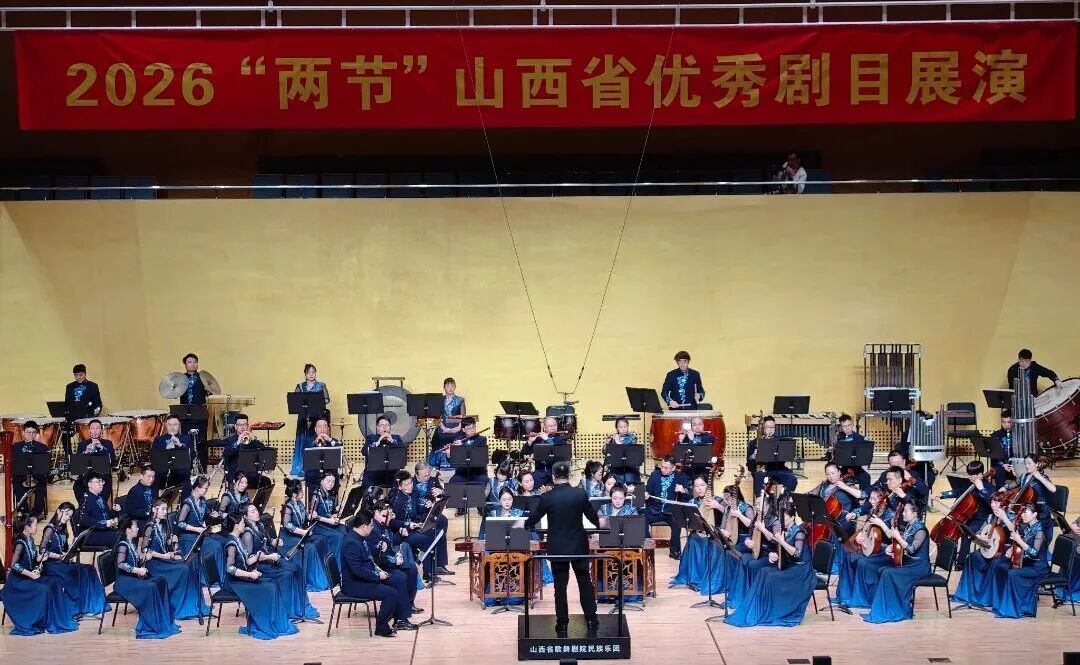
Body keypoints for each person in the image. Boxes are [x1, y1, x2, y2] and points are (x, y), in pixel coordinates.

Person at [524, 461, 599, 635]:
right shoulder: (580, 494)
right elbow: (592, 516)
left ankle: (562, 623)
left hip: (557, 547)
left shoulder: (547, 497)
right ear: (569, 475)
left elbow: (534, 518)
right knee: (584, 582)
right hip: (579, 545)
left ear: (553, 476)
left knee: (560, 586)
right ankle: (591, 620)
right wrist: (601, 525)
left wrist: (524, 524)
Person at [726, 496, 816, 627]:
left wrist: (781, 542)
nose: (781, 519)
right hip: (789, 565)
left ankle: (771, 611)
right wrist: (774, 554)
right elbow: (782, 551)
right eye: (780, 516)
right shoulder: (784, 531)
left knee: (770, 577)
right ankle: (757, 608)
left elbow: (796, 553)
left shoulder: (799, 532)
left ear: (792, 518)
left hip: (801, 570)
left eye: (784, 517)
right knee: (763, 572)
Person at [220, 515, 299, 640]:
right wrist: (250, 574)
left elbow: (247, 561)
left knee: (273, 584)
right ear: (236, 526)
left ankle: (275, 622)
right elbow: (230, 569)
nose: (244, 525)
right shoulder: (231, 544)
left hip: (242, 578)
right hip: (234, 583)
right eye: (242, 523)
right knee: (269, 588)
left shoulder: (237, 539)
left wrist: (257, 557)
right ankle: (263, 625)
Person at [0, 514, 80, 635]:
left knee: (55, 582)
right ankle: (41, 620)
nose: (36, 527)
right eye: (35, 525)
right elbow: (14, 565)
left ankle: (57, 618)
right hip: (18, 582)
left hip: (28, 578)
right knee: (44, 588)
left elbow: (32, 557)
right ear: (27, 527)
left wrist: (40, 558)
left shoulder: (30, 540)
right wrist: (31, 575)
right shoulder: (20, 543)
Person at [241, 503, 320, 622]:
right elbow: (250, 558)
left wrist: (275, 541)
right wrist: (270, 556)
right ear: (246, 517)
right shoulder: (247, 534)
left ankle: (299, 607)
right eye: (252, 511)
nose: (257, 512)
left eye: (256, 510)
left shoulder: (260, 525)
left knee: (296, 568)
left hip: (269, 560)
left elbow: (269, 541)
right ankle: (287, 610)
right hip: (259, 567)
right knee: (287, 575)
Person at [342, 512, 412, 637]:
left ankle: (401, 620)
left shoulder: (358, 538)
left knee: (399, 580)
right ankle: (381, 627)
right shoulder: (351, 543)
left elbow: (367, 558)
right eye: (371, 526)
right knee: (390, 593)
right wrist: (377, 575)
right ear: (364, 527)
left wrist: (378, 567)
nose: (372, 528)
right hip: (354, 584)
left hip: (365, 577)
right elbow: (358, 570)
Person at [113, 516, 181, 639]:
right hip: (124, 581)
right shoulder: (122, 545)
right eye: (135, 526)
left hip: (132, 578)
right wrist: (138, 570)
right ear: (128, 530)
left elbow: (134, 561)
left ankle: (163, 620)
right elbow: (121, 564)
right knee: (151, 587)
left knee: (161, 581)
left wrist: (144, 558)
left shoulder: (132, 543)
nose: (138, 529)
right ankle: (150, 625)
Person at [864, 499, 931, 623]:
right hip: (909, 563)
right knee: (882, 570)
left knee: (887, 573)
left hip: (918, 567)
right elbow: (895, 537)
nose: (903, 513)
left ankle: (893, 610)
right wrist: (892, 547)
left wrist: (898, 538)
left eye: (906, 511)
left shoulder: (921, 530)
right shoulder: (910, 525)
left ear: (914, 513)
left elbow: (911, 549)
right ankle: (883, 607)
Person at [140, 499, 208, 621]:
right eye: (163, 509)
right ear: (154, 510)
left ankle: (194, 605)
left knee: (189, 566)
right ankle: (180, 608)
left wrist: (170, 542)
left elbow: (162, 543)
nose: (165, 512)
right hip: (155, 564)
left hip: (164, 560)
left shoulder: (163, 524)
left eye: (166, 509)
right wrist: (164, 556)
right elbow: (145, 549)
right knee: (183, 570)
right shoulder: (149, 527)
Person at [40, 502, 109, 618]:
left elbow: (64, 549)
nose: (67, 518)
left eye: (70, 516)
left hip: (62, 563)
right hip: (52, 566)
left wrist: (71, 549)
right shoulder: (50, 529)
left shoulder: (63, 529)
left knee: (89, 569)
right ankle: (78, 608)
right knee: (77, 573)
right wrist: (58, 556)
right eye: (66, 514)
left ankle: (90, 606)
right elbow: (42, 551)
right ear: (58, 511)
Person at [989, 502, 1049, 618]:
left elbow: (1033, 553)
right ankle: (1000, 603)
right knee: (999, 567)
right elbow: (1020, 541)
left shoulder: (1040, 532)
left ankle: (1013, 609)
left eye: (1025, 513)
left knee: (1012, 573)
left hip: (1037, 567)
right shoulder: (1028, 527)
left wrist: (1019, 541)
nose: (1022, 515)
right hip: (1026, 562)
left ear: (1035, 514)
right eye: (1022, 513)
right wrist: (1012, 548)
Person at [389, 470, 448, 580]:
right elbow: (391, 522)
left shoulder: (414, 494)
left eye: (411, 482)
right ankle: (427, 571)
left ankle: (432, 567)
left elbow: (418, 512)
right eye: (406, 484)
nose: (410, 486)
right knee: (425, 540)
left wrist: (430, 506)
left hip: (413, 529)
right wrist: (407, 524)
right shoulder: (396, 500)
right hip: (401, 533)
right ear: (399, 487)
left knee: (435, 532)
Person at [277, 478, 330, 592]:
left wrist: (312, 515)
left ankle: (325, 573)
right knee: (310, 548)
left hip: (300, 533)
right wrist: (303, 532)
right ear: (294, 494)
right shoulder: (288, 507)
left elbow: (306, 518)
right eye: (301, 491)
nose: (303, 492)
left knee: (321, 540)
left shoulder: (300, 503)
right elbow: (287, 525)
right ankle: (311, 579)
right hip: (288, 537)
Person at [670, 476, 722, 591]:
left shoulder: (717, 499)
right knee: (692, 539)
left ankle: (701, 577)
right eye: (697, 486)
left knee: (705, 541)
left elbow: (729, 513)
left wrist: (718, 506)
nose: (699, 488)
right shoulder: (692, 502)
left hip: (715, 534)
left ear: (708, 486)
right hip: (699, 533)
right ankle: (692, 577)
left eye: (702, 485)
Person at [369, 501, 424, 603]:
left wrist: (399, 536)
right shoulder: (374, 529)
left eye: (390, 515)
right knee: (409, 570)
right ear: (376, 513)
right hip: (382, 565)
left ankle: (408, 603)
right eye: (386, 515)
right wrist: (395, 561)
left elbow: (390, 544)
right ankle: (407, 604)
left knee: (411, 567)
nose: (389, 518)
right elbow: (378, 557)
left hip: (388, 559)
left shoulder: (383, 525)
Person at [176, 475, 225, 585]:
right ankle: (210, 579)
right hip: (188, 536)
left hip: (200, 533)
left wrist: (212, 514)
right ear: (197, 488)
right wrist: (196, 529)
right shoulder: (187, 504)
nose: (206, 490)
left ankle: (219, 576)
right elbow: (180, 523)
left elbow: (205, 514)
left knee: (222, 543)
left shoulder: (202, 500)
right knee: (216, 546)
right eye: (205, 488)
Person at [952, 460, 996, 570]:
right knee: (954, 528)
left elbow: (991, 503)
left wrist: (981, 489)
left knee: (966, 533)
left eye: (972, 475)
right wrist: (942, 495)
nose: (970, 477)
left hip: (982, 519)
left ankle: (961, 562)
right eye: (969, 474)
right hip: (969, 517)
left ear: (980, 474)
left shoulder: (989, 487)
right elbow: (957, 492)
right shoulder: (969, 485)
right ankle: (951, 557)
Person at [644, 455, 691, 559]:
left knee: (677, 522)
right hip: (654, 509)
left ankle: (674, 551)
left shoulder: (680, 477)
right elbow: (648, 489)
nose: (662, 469)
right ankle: (648, 549)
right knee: (642, 519)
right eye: (662, 466)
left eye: (666, 468)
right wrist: (646, 493)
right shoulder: (655, 475)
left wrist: (683, 490)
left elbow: (690, 495)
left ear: (673, 468)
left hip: (670, 511)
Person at [290, 363, 331, 478]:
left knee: (315, 439)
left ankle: (315, 466)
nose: (311, 374)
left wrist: (316, 401)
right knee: (302, 440)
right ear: (305, 374)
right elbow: (294, 401)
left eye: (313, 372)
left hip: (316, 417)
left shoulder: (321, 385)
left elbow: (326, 400)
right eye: (309, 372)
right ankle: (301, 467)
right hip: (303, 417)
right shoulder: (300, 386)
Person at [178, 353, 213, 469]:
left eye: (195, 362)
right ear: (185, 364)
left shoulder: (203, 378)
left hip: (200, 413)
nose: (193, 364)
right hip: (185, 414)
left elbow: (211, 390)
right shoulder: (181, 379)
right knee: (186, 440)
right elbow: (173, 392)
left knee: (201, 441)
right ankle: (187, 467)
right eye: (189, 362)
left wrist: (208, 389)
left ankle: (203, 466)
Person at [747, 416, 797, 495]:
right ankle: (760, 500)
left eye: (772, 427)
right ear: (763, 428)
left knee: (792, 479)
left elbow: (784, 458)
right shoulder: (754, 443)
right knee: (759, 476)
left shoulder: (780, 441)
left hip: (778, 469)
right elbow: (749, 464)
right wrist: (753, 456)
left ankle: (783, 500)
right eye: (768, 427)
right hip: (761, 469)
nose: (770, 429)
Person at [221, 413, 272, 490]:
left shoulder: (252, 440)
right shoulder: (229, 440)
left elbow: (264, 452)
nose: (242, 427)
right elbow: (226, 454)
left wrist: (254, 439)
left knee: (266, 481)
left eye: (244, 424)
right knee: (239, 482)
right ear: (235, 426)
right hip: (235, 474)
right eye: (239, 425)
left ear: (247, 426)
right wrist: (237, 442)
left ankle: (256, 498)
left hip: (251, 473)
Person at [73, 419, 117, 505]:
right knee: (77, 486)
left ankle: (100, 506)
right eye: (93, 428)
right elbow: (77, 466)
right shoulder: (82, 444)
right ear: (89, 430)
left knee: (103, 489)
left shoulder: (108, 443)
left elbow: (112, 460)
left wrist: (102, 448)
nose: (95, 431)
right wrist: (86, 451)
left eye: (97, 428)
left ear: (101, 430)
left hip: (103, 477)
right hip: (86, 478)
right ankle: (84, 507)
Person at [64, 363, 102, 460]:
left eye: (80, 375)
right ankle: (70, 458)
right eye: (76, 375)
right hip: (73, 417)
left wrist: (97, 410)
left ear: (85, 374)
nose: (78, 377)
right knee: (64, 434)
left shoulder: (92, 386)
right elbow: (66, 404)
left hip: (87, 417)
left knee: (88, 435)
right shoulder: (70, 387)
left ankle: (90, 456)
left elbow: (98, 403)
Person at [12, 420, 49, 519]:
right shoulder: (16, 447)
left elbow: (45, 466)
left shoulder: (42, 447)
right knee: (17, 485)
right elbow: (13, 465)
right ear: (23, 433)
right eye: (28, 432)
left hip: (37, 475)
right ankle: (24, 512)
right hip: (21, 475)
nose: (31, 435)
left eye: (33, 432)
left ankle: (37, 513)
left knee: (41, 486)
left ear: (36, 433)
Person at [151, 415, 194, 498]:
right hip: (163, 472)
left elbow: (191, 455)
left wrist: (180, 445)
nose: (172, 427)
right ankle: (155, 503)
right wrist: (166, 449)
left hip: (180, 472)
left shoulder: (186, 439)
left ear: (179, 425)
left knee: (185, 477)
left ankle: (186, 503)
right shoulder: (159, 440)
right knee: (154, 476)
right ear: (166, 426)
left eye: (175, 424)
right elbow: (154, 457)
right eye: (169, 424)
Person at [310, 471, 347, 565]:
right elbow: (312, 516)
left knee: (345, 530)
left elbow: (331, 512)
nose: (331, 484)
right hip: (318, 525)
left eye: (333, 482)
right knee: (338, 537)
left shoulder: (331, 494)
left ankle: (344, 561)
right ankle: (335, 565)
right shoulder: (316, 495)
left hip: (329, 523)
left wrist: (335, 517)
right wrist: (329, 520)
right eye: (328, 481)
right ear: (322, 481)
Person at [428, 377, 466, 469]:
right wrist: (444, 428)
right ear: (444, 388)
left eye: (452, 386)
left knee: (461, 440)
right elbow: (437, 417)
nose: (450, 388)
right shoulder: (440, 400)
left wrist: (457, 428)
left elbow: (463, 417)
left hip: (457, 429)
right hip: (442, 428)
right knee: (436, 440)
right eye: (448, 386)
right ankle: (436, 466)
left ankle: (457, 465)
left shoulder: (460, 400)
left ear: (455, 387)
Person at [78, 473, 120, 547]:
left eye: (102, 482)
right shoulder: (85, 500)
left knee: (126, 532)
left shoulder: (101, 497)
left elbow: (106, 515)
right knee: (120, 537)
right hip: (91, 535)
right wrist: (104, 524)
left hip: (103, 531)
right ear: (90, 484)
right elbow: (84, 520)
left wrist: (115, 511)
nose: (101, 484)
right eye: (98, 482)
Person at [362, 415, 404, 489]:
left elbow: (403, 450)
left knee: (401, 481)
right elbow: (364, 452)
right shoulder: (371, 438)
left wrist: (392, 441)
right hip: (374, 473)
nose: (384, 427)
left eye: (387, 425)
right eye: (381, 425)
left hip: (392, 473)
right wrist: (377, 443)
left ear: (390, 427)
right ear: (377, 427)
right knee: (367, 481)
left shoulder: (396, 438)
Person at [834, 414, 872, 496]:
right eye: (844, 426)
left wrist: (867, 444)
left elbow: (865, 454)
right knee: (836, 478)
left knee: (866, 477)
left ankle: (863, 496)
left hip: (857, 467)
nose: (847, 428)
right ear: (841, 427)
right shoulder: (838, 438)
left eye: (849, 425)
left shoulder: (860, 438)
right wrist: (833, 449)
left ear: (852, 424)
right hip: (844, 468)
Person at [446, 416, 489, 485]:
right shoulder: (458, 440)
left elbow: (476, 456)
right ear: (463, 430)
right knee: (453, 482)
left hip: (478, 473)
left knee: (484, 481)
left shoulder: (482, 439)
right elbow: (453, 462)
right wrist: (449, 454)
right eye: (469, 428)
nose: (472, 430)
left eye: (473, 427)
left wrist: (461, 447)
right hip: (462, 473)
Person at [524, 416, 565, 487]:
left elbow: (558, 451)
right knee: (534, 481)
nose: (553, 427)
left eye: (555, 425)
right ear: (545, 428)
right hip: (540, 471)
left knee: (561, 484)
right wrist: (530, 442)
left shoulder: (560, 439)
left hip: (555, 470)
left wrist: (547, 439)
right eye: (550, 426)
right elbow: (525, 452)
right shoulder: (539, 439)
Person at [605, 417, 641, 485]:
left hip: (629, 466)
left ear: (628, 426)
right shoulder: (613, 438)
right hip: (616, 466)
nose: (623, 429)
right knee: (611, 478)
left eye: (625, 426)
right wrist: (606, 443)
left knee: (629, 478)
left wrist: (617, 441)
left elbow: (625, 452)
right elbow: (605, 452)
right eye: (620, 427)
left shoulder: (632, 438)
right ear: (617, 428)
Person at [988, 410, 1016, 489]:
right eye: (1003, 422)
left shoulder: (1019, 434)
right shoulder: (995, 435)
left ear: (1013, 422)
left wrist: (1014, 464)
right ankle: (1000, 491)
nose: (1006, 425)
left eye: (1009, 422)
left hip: (1015, 464)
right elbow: (994, 456)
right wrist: (1003, 465)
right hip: (1001, 464)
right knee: (999, 469)